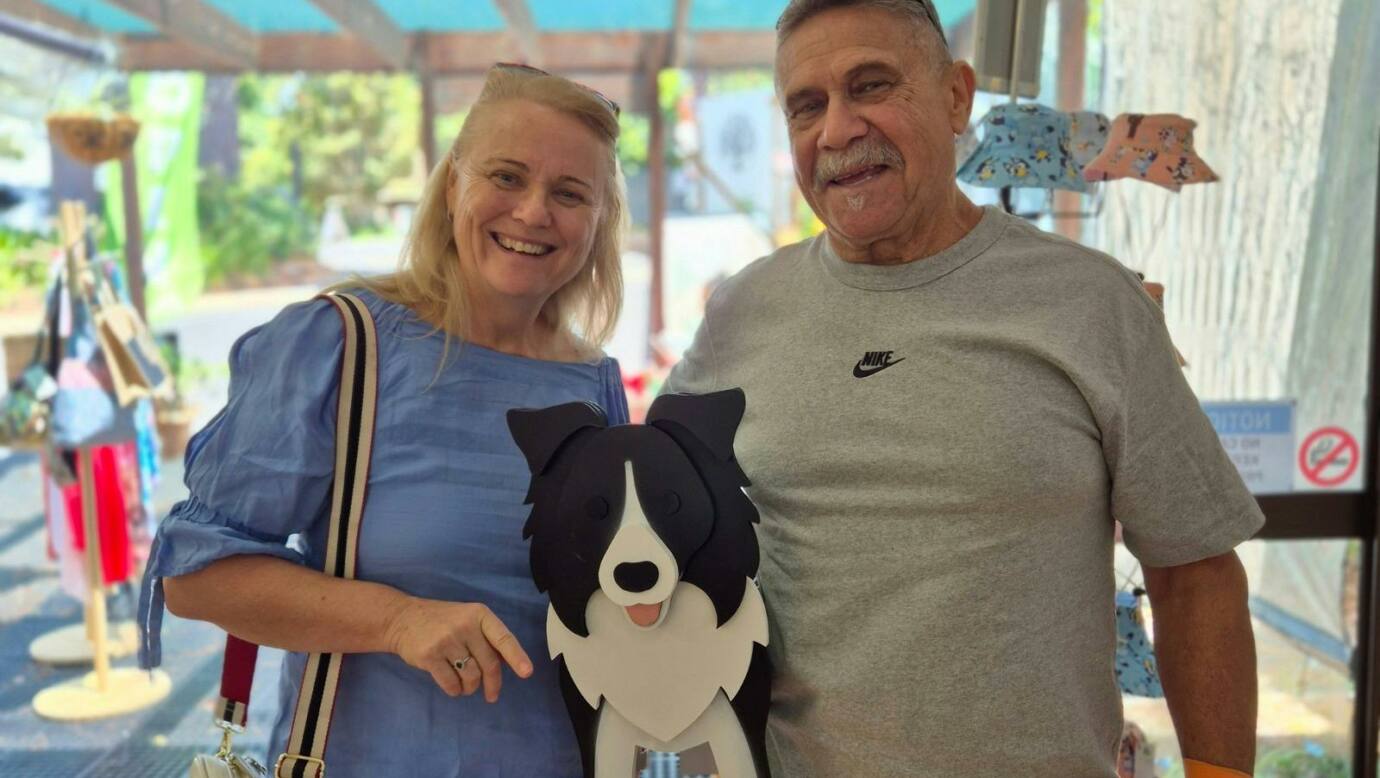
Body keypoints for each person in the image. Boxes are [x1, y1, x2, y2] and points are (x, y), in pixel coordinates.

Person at [661, 2, 1261, 777]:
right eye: (806, 107)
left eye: (871, 86)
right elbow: (641, 522)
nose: (838, 131)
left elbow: (1197, 573)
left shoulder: (1091, 303)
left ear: (956, 98)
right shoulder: (740, 314)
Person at [137, 64, 629, 776]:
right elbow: (196, 574)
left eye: (570, 193)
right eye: (507, 176)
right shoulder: (341, 343)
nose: (532, 212)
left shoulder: (595, 383)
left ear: (599, 220)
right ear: (454, 182)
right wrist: (399, 622)